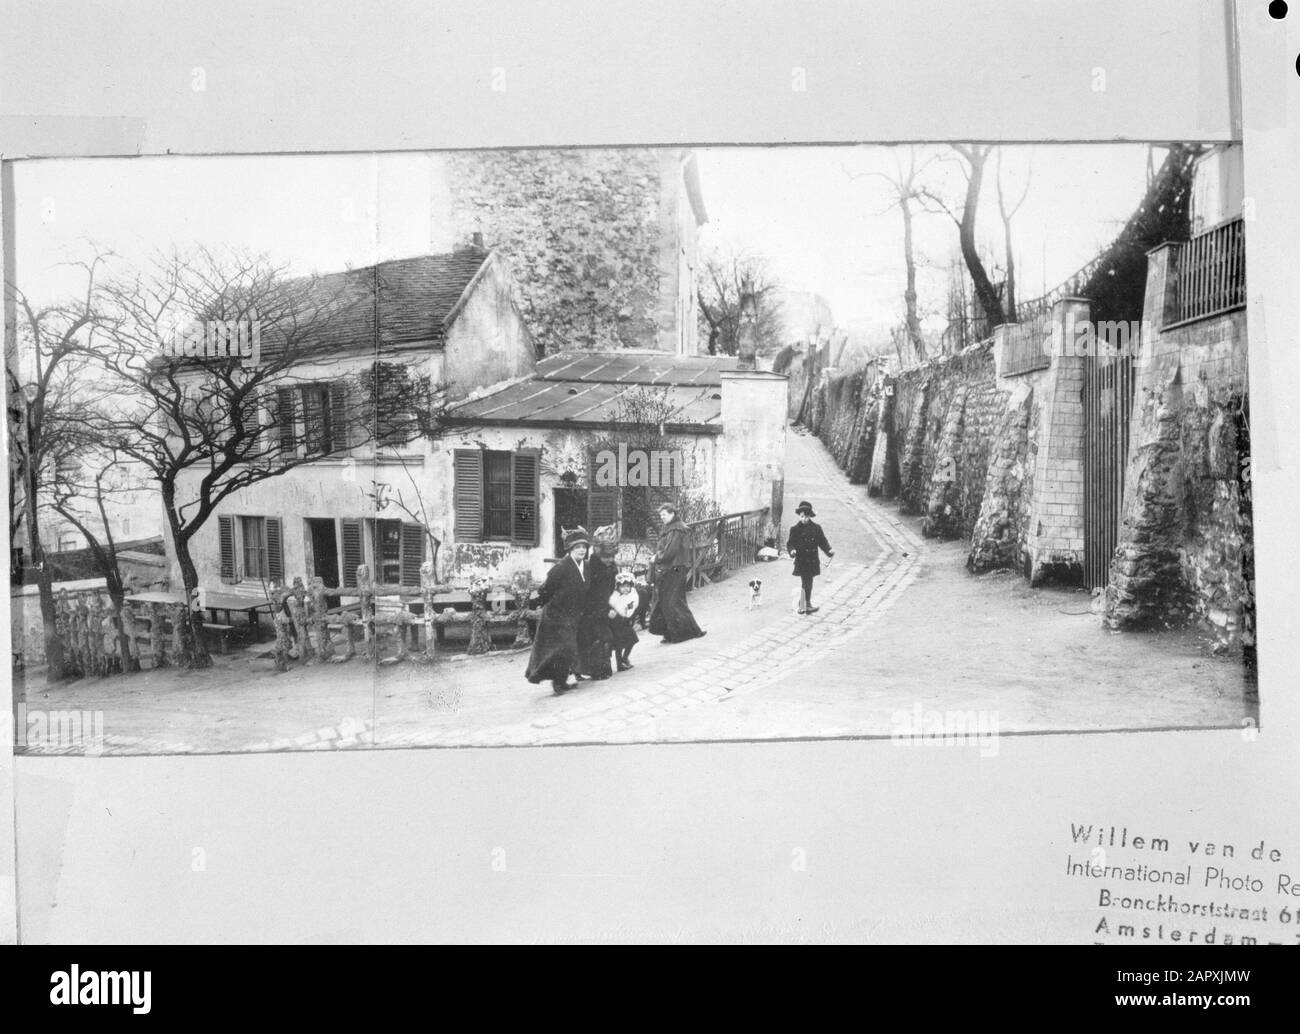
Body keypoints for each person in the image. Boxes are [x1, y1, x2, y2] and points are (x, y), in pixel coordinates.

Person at [525, 528, 593, 694]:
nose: (581, 550)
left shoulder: (586, 566)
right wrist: (536, 603)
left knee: (566, 649)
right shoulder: (561, 567)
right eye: (577, 547)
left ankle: (561, 681)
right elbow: (546, 589)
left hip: (573, 614)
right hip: (556, 614)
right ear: (570, 550)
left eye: (584, 547)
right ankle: (558, 682)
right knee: (564, 647)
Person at [647, 502, 706, 643]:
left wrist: (656, 557)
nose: (662, 517)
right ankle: (670, 633)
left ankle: (685, 633)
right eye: (660, 515)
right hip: (671, 568)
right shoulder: (670, 528)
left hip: (675, 568)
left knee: (673, 602)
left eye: (664, 514)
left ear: (672, 514)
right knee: (667, 601)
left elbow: (670, 552)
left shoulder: (676, 529)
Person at [786, 500, 834, 614]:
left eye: (806, 517)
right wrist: (792, 550)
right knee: (806, 581)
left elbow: (822, 541)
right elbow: (790, 543)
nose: (804, 519)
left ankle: (805, 604)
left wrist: (829, 550)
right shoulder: (795, 529)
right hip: (802, 560)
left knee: (809, 582)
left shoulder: (816, 528)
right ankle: (804, 604)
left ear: (810, 516)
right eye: (802, 516)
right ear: (799, 516)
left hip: (812, 560)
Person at [578, 548, 615, 680]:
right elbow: (593, 595)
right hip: (592, 611)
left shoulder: (610, 569)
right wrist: (604, 610)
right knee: (597, 640)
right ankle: (596, 670)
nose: (610, 560)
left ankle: (603, 668)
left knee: (606, 638)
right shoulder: (592, 570)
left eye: (612, 556)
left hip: (605, 609)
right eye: (606, 557)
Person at [608, 572, 640, 670]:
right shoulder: (615, 596)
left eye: (627, 586)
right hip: (617, 623)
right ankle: (619, 664)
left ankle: (624, 658)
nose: (625, 589)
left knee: (632, 640)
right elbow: (613, 604)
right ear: (618, 587)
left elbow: (631, 609)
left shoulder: (632, 596)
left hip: (626, 623)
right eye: (622, 586)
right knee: (619, 644)